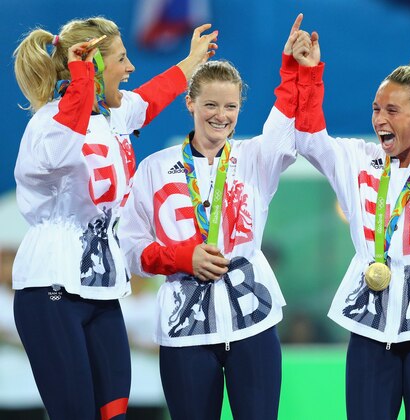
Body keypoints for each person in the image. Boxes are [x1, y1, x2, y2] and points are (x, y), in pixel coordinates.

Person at [11, 16, 217, 420]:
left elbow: (152, 97)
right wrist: (82, 76)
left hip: (101, 291)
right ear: (93, 66)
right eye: (122, 59)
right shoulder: (48, 125)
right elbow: (64, 143)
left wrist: (192, 61)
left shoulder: (112, 116)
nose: (131, 68)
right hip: (51, 288)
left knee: (113, 413)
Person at [118, 14, 310, 420]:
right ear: (189, 103)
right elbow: (131, 248)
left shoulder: (256, 157)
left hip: (253, 324)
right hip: (184, 328)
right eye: (209, 104)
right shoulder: (154, 168)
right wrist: (182, 258)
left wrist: (292, 69)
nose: (220, 115)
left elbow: (285, 119)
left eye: (230, 106)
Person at [292, 25, 410, 420]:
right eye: (377, 108)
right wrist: (308, 74)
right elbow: (308, 140)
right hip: (371, 324)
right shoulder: (357, 158)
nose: (380, 119)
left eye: (392, 110)